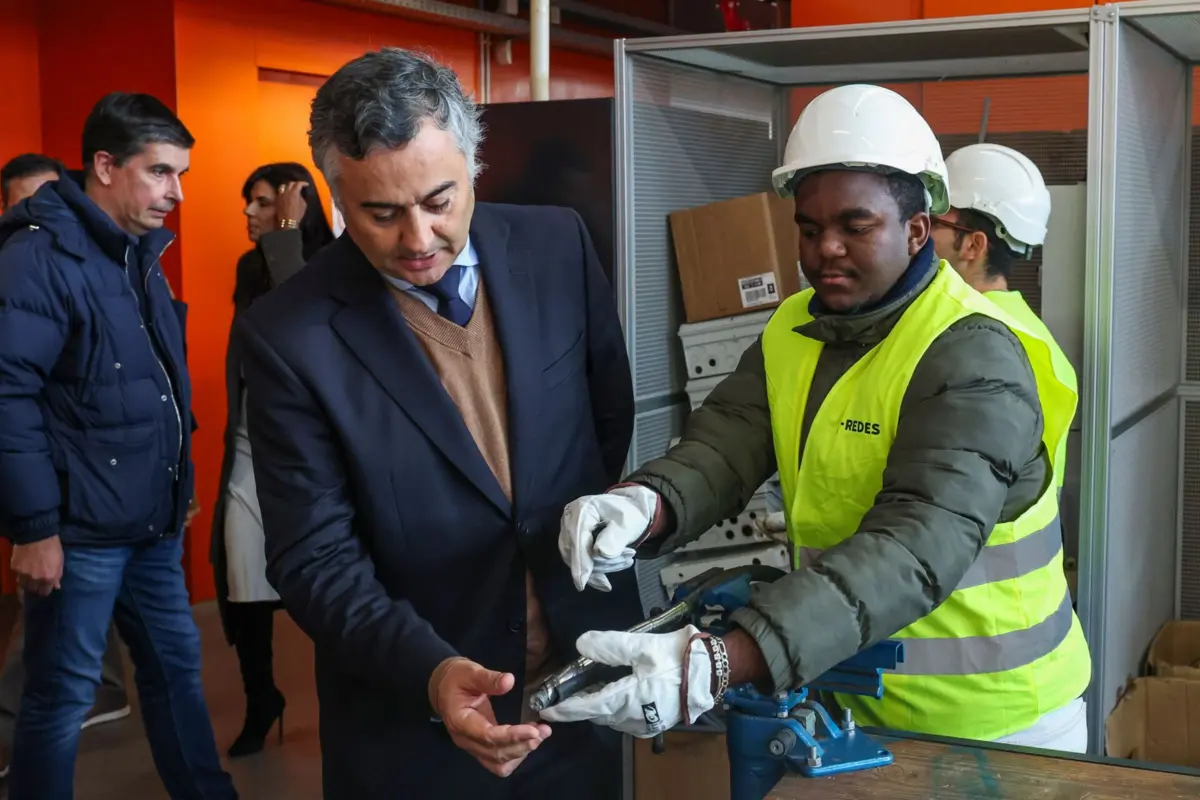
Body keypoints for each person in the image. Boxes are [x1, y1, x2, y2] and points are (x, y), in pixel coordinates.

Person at [546, 84, 1093, 753]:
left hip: (993, 720)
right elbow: (724, 445)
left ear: (917, 230)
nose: (825, 248)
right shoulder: (795, 328)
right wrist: (643, 504)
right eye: (809, 228)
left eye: (854, 227)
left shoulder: (974, 353)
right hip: (856, 695)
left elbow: (916, 543)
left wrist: (724, 660)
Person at [234, 48, 640, 799]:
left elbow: (606, 420)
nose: (416, 239)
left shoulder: (556, 246)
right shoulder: (289, 335)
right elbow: (314, 558)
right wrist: (430, 671)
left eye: (439, 200)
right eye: (379, 214)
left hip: (580, 684)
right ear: (333, 193)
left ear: (474, 163)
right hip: (411, 718)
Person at [0, 92, 236, 800]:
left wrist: (177, 480)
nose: (177, 193)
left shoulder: (135, 251)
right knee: (63, 695)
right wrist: (35, 529)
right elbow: (6, 397)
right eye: (162, 172)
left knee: (175, 672)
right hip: (79, 536)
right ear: (104, 165)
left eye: (182, 174)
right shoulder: (37, 260)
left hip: (151, 526)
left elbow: (155, 382)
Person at [0, 152, 133, 781]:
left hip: (78, 496)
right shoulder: (20, 270)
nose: (40, 218)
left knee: (55, 638)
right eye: (25, 205)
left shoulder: (113, 263)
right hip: (41, 485)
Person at [211, 161, 334, 758]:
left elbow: (299, 324)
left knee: (328, 589)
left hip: (310, 458)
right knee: (241, 586)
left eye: (263, 202)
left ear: (298, 207)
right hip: (248, 449)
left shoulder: (333, 264)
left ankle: (347, 704)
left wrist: (287, 234)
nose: (251, 214)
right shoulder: (248, 267)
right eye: (251, 203)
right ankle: (262, 698)